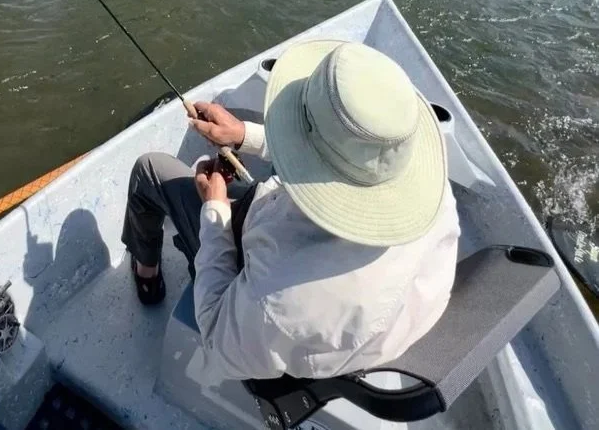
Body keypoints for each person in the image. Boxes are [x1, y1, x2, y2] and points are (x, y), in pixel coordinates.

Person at [121, 40, 460, 382]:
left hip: (259, 299)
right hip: (361, 332)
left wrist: (216, 213)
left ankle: (147, 276)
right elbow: (341, 163)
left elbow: (214, 333)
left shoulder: (277, 300)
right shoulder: (436, 199)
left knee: (149, 169)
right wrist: (243, 135)